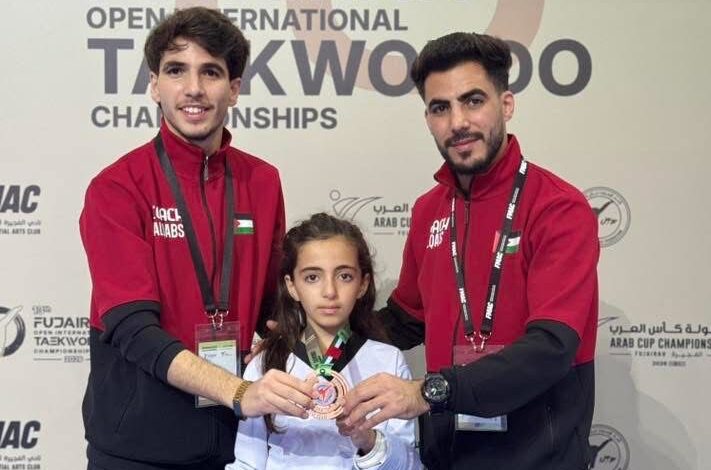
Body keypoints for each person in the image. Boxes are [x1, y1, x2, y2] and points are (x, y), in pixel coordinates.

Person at [340, 32, 600, 470]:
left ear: (506, 104)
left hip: (537, 456)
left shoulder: (558, 207)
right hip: (448, 454)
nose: (458, 122)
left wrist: (428, 392)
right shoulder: (429, 209)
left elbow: (552, 347)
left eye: (473, 101)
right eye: (440, 108)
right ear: (428, 118)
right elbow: (406, 320)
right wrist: (311, 339)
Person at [79, 8, 315, 470]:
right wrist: (238, 391)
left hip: (236, 444)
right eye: (176, 70)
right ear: (154, 85)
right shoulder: (116, 187)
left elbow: (274, 309)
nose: (193, 88)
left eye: (211, 72)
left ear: (234, 88)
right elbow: (132, 330)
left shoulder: (262, 181)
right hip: (138, 449)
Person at [227, 213, 420, 470]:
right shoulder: (266, 363)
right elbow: (246, 463)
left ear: (363, 284)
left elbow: (408, 465)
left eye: (344, 276)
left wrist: (368, 440)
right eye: (312, 277)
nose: (330, 292)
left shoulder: (388, 361)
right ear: (291, 286)